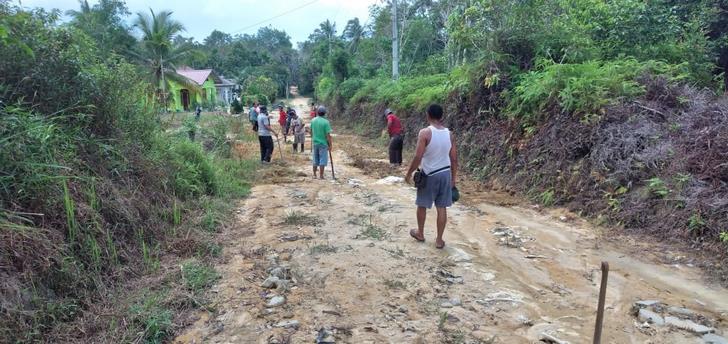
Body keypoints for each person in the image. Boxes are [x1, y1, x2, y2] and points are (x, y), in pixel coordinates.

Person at [405, 104, 458, 249]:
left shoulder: (425, 133)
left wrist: (409, 173)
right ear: (441, 116)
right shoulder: (450, 134)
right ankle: (439, 240)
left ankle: (420, 233)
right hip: (445, 174)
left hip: (429, 174)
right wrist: (453, 178)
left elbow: (418, 156)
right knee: (442, 207)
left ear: (428, 115)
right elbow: (454, 159)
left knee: (422, 204)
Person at [310, 105, 333, 179]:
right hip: (323, 144)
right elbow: (328, 135)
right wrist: (330, 145)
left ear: (317, 112)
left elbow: (311, 132)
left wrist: (314, 137)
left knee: (315, 159)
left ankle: (314, 175)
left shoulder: (313, 120)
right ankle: (321, 175)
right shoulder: (326, 122)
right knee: (322, 159)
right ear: (324, 113)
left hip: (315, 143)